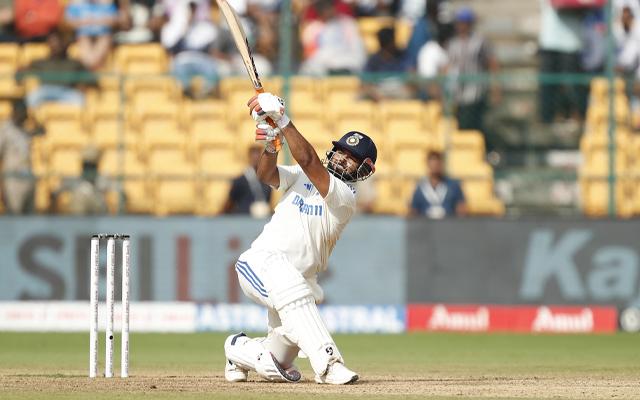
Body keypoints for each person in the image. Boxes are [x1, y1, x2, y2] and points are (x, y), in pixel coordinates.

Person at [223, 92, 377, 385]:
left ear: (364, 169)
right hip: (261, 263)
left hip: (301, 281)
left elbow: (307, 158)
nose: (343, 157)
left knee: (275, 362)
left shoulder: (345, 198)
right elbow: (266, 174)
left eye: (352, 157)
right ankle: (329, 364)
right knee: (293, 288)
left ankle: (237, 348)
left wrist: (282, 119)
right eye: (341, 151)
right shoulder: (301, 176)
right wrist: (271, 144)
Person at [447, 7, 500, 133]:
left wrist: (495, 87)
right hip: (457, 93)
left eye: (464, 22)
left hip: (475, 92)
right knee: (459, 126)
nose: (461, 25)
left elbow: (492, 63)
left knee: (474, 126)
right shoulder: (453, 43)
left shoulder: (480, 41)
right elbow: (449, 66)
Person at [19, 30, 96, 108]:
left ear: (65, 44)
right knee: (31, 99)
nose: (56, 45)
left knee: (79, 100)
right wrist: (21, 73)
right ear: (49, 44)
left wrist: (82, 84)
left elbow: (91, 78)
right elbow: (20, 74)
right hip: (45, 90)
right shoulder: (41, 62)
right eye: (53, 42)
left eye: (59, 42)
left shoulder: (75, 63)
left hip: (67, 91)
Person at [538, 0, 585, 123]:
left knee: (575, 85)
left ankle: (578, 116)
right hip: (550, 41)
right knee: (549, 85)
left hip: (572, 42)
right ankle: (547, 119)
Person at [300, 0, 367, 75]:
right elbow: (309, 54)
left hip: (347, 61)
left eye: (329, 8)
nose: (328, 11)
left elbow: (357, 48)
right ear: (319, 11)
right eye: (324, 9)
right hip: (323, 65)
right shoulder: (312, 29)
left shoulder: (348, 23)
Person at [0, 99, 42, 214]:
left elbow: (43, 131)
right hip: (13, 180)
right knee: (14, 215)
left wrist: (35, 117)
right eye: (23, 112)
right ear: (15, 112)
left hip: (28, 178)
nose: (25, 116)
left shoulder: (24, 130)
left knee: (29, 218)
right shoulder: (5, 130)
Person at [49, 146, 109, 215]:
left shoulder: (102, 180)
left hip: (98, 215)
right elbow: (55, 193)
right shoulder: (74, 180)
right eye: (86, 165)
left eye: (92, 166)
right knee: (79, 197)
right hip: (78, 218)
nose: (89, 169)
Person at [409, 150, 466, 219]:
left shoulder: (453, 185)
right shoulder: (420, 187)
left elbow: (461, 209)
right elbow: (413, 211)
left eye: (437, 163)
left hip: (448, 225)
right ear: (428, 164)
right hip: (426, 226)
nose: (435, 166)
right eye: (433, 163)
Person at [65, 0, 119, 71]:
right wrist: (82, 22)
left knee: (105, 38)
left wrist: (101, 21)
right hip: (83, 35)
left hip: (103, 35)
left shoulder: (107, 3)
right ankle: (93, 68)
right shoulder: (76, 3)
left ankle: (91, 69)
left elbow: (116, 20)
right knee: (83, 39)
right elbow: (67, 22)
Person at [221, 144, 273, 217]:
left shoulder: (268, 181)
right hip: (244, 221)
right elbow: (229, 204)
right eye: (253, 155)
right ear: (249, 157)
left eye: (258, 155)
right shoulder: (240, 181)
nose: (256, 158)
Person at [362, 27, 411, 100]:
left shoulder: (404, 56)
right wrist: (378, 96)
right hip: (379, 91)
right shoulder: (373, 61)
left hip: (401, 90)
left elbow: (411, 75)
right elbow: (365, 82)